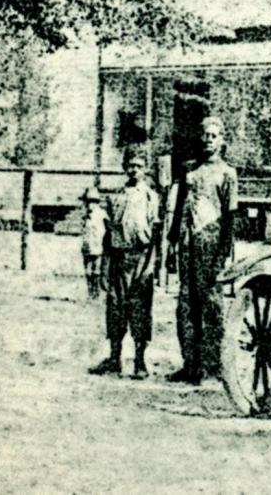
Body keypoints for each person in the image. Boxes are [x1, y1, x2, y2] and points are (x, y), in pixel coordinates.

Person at [166, 115, 238, 384]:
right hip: (187, 243)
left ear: (221, 140)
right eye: (205, 135)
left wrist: (223, 252)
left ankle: (214, 364)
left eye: (214, 135)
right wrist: (173, 240)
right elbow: (180, 206)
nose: (208, 140)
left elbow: (230, 217)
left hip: (211, 243)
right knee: (186, 304)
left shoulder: (228, 174)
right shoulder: (189, 170)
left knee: (211, 304)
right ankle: (190, 364)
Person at [89, 147, 161, 378]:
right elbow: (108, 235)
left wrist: (152, 265)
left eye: (139, 166)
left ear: (146, 169)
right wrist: (104, 268)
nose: (134, 170)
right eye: (131, 165)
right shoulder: (116, 196)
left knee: (140, 310)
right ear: (124, 167)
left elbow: (156, 234)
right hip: (119, 259)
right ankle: (114, 358)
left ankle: (140, 362)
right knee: (116, 308)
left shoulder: (150, 197)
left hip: (141, 259)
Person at [79, 187, 107, 300]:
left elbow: (108, 228)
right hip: (87, 245)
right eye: (88, 202)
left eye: (93, 202)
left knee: (97, 271)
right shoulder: (85, 215)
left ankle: (96, 293)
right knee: (88, 271)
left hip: (98, 245)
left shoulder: (102, 214)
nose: (90, 205)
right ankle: (90, 293)